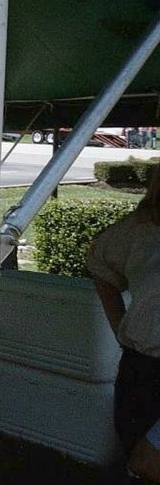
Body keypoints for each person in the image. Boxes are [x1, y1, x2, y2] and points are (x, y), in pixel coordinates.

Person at [87, 166, 160, 467]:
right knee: (138, 462)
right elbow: (100, 263)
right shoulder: (142, 229)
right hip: (144, 370)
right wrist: (121, 327)